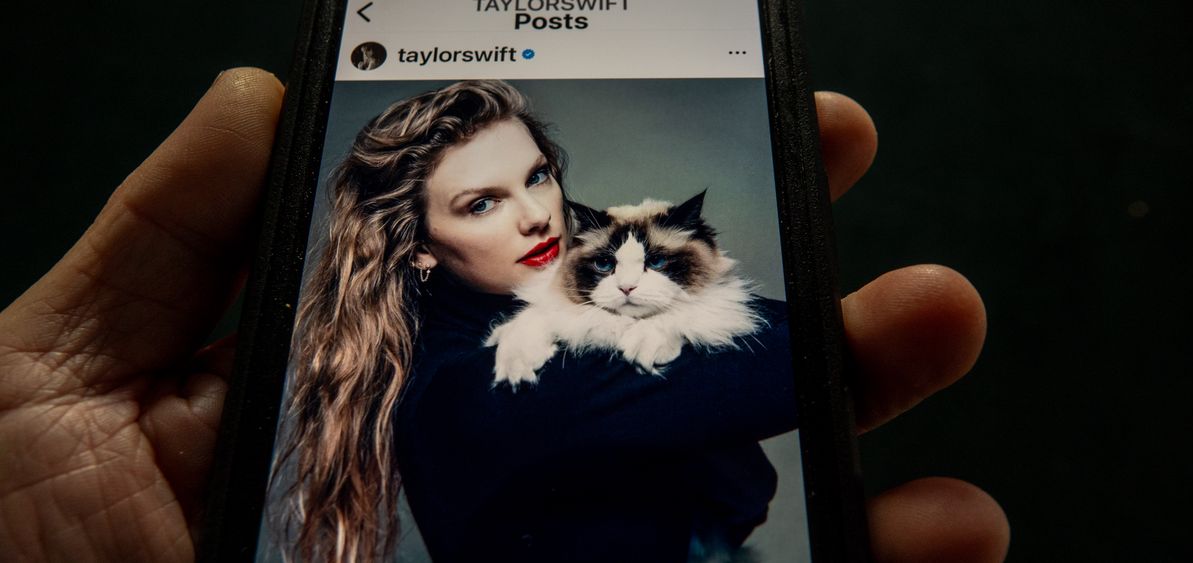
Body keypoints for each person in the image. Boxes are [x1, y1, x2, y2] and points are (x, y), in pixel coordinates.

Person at [0, 68, 1009, 563]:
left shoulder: (573, 281)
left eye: (535, 176)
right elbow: (788, 355)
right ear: (421, 246)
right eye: (481, 202)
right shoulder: (465, 381)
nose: (536, 214)